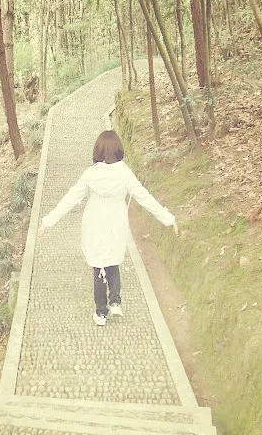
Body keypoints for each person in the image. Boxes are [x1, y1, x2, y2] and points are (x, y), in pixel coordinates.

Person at [39, 130, 179, 326]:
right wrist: (167, 218)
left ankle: (101, 312)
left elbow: (70, 198)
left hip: (95, 224)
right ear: (118, 150)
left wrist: (48, 221)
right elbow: (144, 197)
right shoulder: (125, 174)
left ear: (98, 150)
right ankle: (115, 301)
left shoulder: (90, 175)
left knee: (99, 266)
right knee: (113, 261)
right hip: (116, 223)